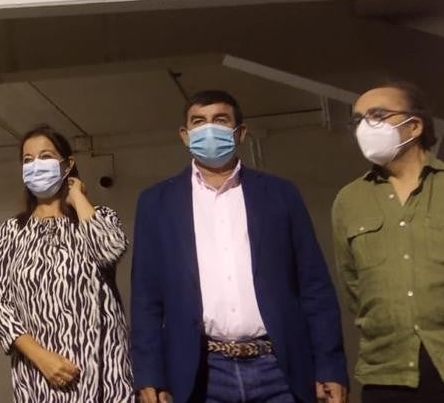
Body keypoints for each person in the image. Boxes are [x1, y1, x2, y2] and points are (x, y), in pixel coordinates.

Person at [130, 89, 348, 403]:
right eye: (198, 122)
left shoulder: (280, 194)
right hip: (203, 374)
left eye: (220, 120)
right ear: (184, 134)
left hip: (279, 369)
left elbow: (314, 287)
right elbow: (146, 298)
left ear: (240, 132)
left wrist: (330, 365)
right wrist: (149, 374)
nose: (208, 129)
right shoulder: (156, 203)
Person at [0, 124, 133, 402]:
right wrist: (41, 357)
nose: (36, 166)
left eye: (45, 157)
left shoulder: (98, 217)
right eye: (28, 160)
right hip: (38, 377)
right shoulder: (12, 230)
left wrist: (78, 197)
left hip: (103, 378)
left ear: (67, 165)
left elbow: (110, 249)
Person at [332, 82, 444, 402]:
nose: (366, 126)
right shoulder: (349, 200)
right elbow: (353, 285)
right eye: (358, 119)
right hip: (387, 372)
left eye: (378, 114)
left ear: (415, 125)